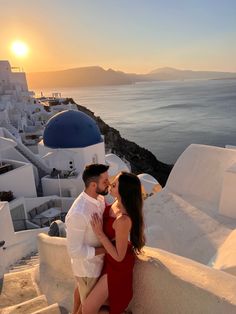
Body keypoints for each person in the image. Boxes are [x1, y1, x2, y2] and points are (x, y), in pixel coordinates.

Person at [82, 172, 145, 314]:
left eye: (115, 185)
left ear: (123, 191)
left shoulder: (123, 220)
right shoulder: (114, 203)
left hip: (117, 266)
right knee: (91, 301)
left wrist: (99, 233)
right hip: (106, 259)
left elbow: (119, 256)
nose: (110, 185)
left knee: (88, 308)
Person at [65, 164, 110, 314]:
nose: (108, 184)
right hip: (88, 270)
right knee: (89, 309)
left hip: (98, 265)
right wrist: (107, 249)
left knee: (84, 302)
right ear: (93, 185)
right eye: (105, 181)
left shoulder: (100, 199)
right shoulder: (78, 213)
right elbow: (74, 251)